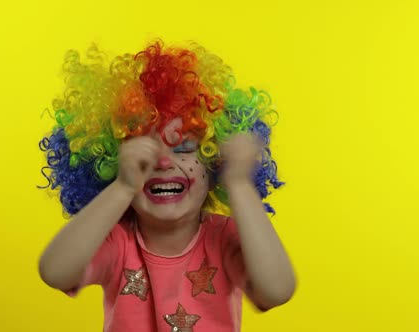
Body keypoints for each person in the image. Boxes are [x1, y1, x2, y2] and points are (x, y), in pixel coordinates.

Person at [38, 41, 296, 331]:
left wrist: (239, 183)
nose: (162, 163)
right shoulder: (117, 241)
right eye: (143, 152)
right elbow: (55, 272)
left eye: (184, 147)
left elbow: (277, 290)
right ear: (111, 162)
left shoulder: (223, 239)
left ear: (213, 164)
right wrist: (124, 187)